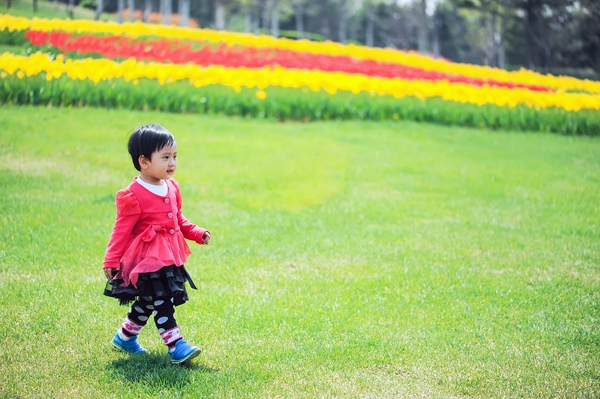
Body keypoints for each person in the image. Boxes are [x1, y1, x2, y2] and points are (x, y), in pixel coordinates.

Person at [103, 123, 210, 365]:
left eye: (174, 157)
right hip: (146, 260)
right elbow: (121, 230)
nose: (172, 163)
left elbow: (178, 218)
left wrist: (196, 232)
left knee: (150, 300)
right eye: (165, 157)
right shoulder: (133, 194)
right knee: (163, 301)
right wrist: (111, 260)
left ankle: (125, 337)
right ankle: (176, 345)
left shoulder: (172, 186)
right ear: (144, 161)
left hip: (169, 255)